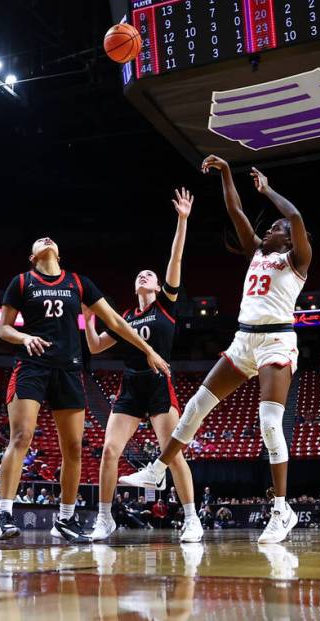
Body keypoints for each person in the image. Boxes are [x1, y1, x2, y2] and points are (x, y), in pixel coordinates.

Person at [122, 158, 312, 545]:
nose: (271, 229)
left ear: (288, 239)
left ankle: (281, 509)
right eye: (272, 228)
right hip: (244, 341)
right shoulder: (257, 252)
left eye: (276, 228)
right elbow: (234, 209)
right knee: (194, 406)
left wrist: (268, 190)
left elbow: (294, 215)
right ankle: (158, 471)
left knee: (270, 424)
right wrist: (227, 173)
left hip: (276, 341)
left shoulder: (298, 260)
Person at [0, 235, 170, 542]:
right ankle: (5, 515)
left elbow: (115, 321)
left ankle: (65, 519)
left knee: (74, 448)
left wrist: (148, 350)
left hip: (69, 369)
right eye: (39, 241)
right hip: (32, 366)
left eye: (50, 239)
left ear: (58, 254)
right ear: (32, 256)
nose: (46, 240)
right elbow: (3, 328)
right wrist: (23, 338)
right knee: (22, 436)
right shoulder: (21, 282)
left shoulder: (78, 282)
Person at [84, 189, 202, 543]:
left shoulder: (165, 304)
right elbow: (95, 346)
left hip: (158, 383)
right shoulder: (124, 318)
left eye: (149, 274)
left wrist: (182, 221)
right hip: (130, 386)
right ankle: (105, 519)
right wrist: (89, 319)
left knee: (172, 453)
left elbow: (175, 259)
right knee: (108, 450)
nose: (144, 276)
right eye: (140, 275)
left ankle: (192, 518)